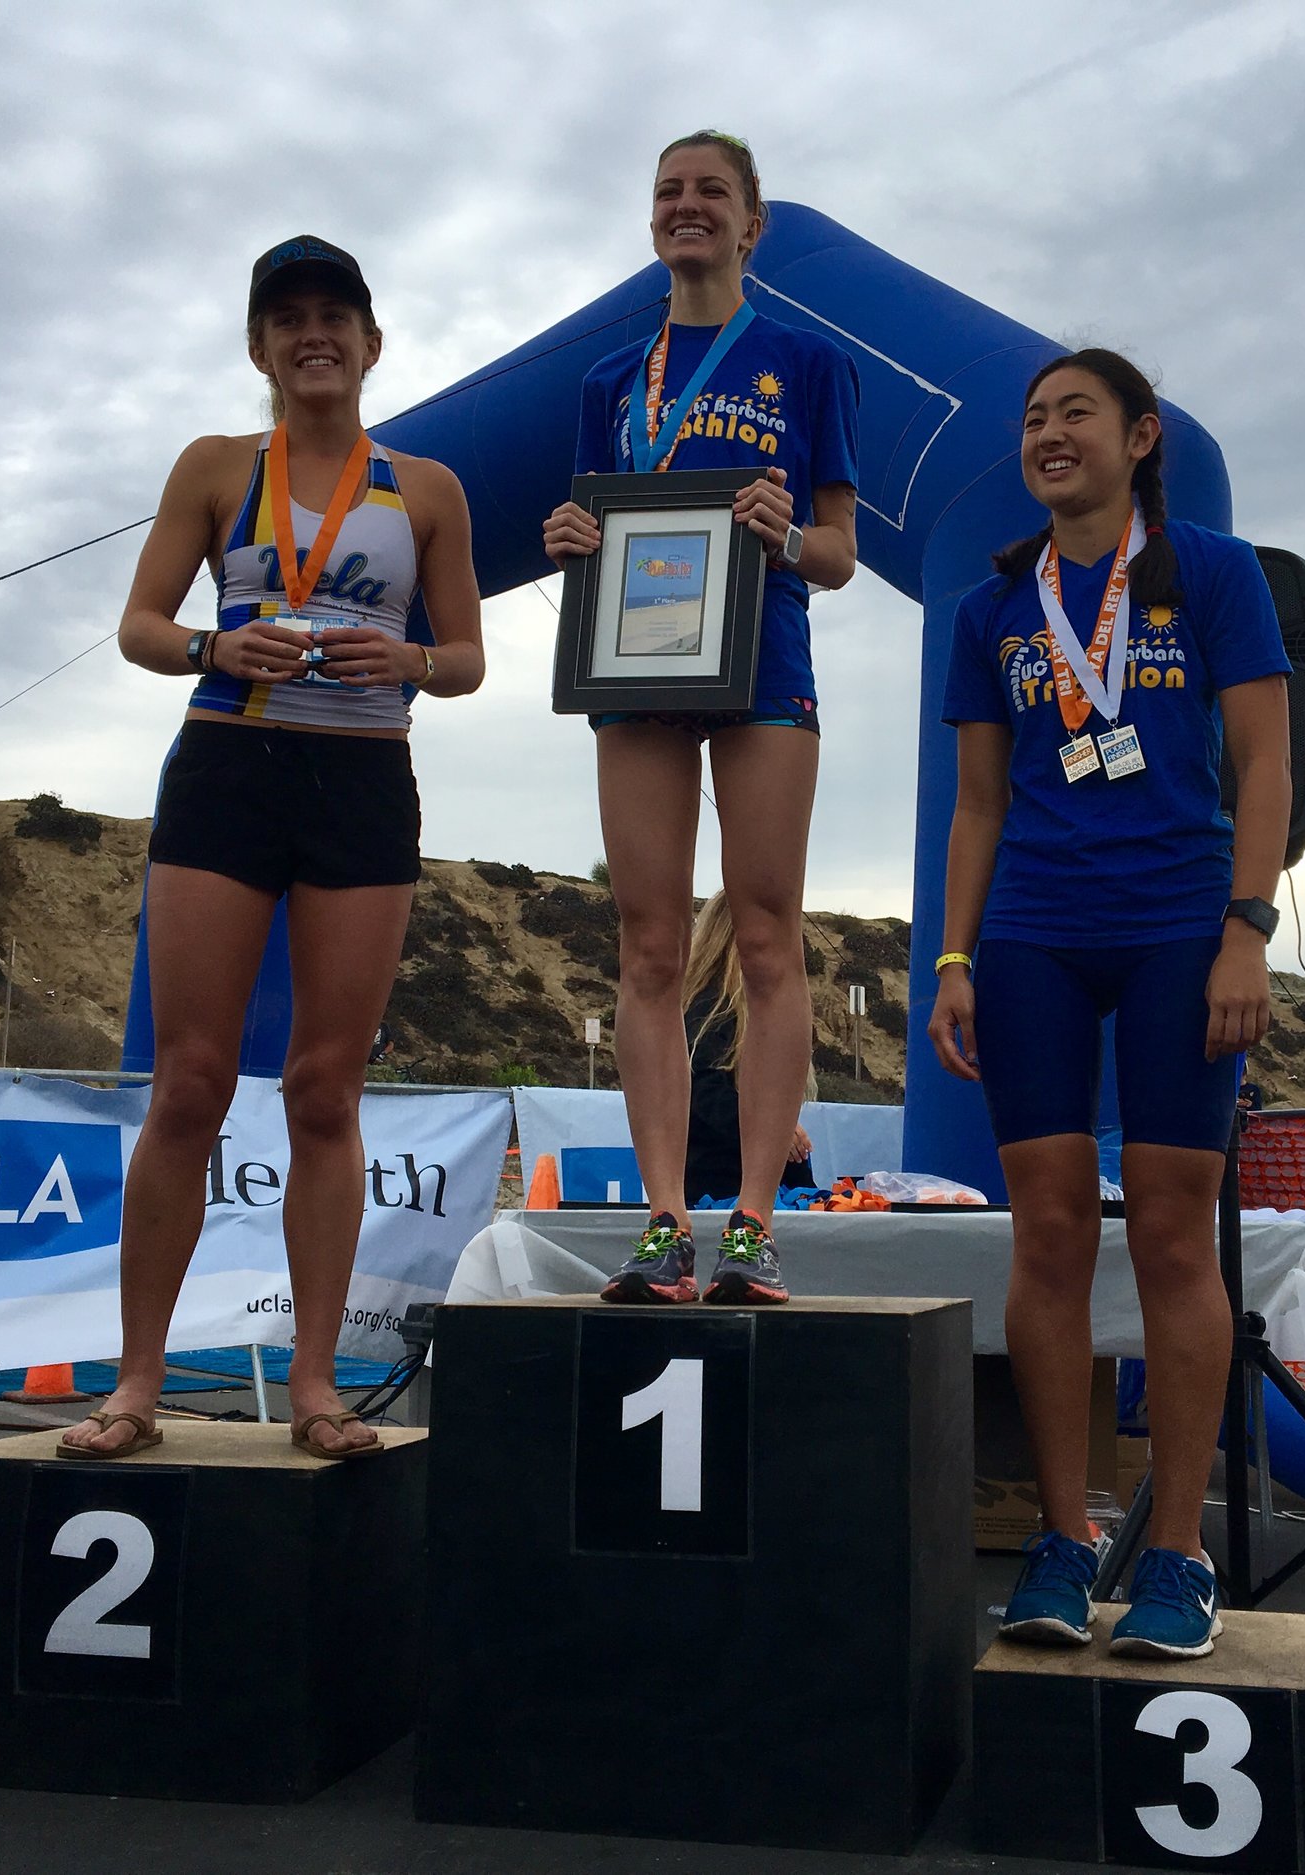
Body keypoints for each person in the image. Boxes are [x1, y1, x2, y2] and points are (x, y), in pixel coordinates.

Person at [61, 236, 484, 1460]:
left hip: (360, 782)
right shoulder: (212, 465)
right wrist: (209, 645)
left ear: (371, 343)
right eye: (288, 318)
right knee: (189, 1082)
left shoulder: (430, 489)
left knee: (323, 1089)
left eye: (335, 318)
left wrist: (405, 661)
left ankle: (314, 1386)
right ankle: (137, 1384)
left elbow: (462, 661)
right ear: (259, 346)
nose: (314, 335)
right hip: (227, 773)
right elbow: (140, 624)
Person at [929, 349, 1293, 1658]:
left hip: (1177, 925)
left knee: (1178, 1237)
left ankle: (1179, 1551)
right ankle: (1065, 1533)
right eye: (1031, 417)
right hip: (1032, 927)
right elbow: (978, 802)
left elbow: (1264, 765)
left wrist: (1247, 930)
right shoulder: (995, 607)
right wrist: (953, 958)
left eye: (1074, 411)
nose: (1048, 432)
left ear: (1141, 436)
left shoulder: (1211, 569)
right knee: (1048, 1231)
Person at [542, 131, 860, 1306]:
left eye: (710, 192)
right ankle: (665, 1219)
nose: (688, 207)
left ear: (751, 222)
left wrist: (789, 533)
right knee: (648, 944)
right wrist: (570, 543)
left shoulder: (807, 363)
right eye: (669, 192)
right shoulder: (606, 384)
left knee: (768, 933)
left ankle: (754, 1226)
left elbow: (839, 553)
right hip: (637, 669)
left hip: (765, 657)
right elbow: (595, 530)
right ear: (652, 220)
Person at [681, 890, 815, 1208]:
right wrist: (775, 1131)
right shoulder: (712, 1008)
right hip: (719, 1193)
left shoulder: (742, 1012)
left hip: (748, 1189)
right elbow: (706, 1094)